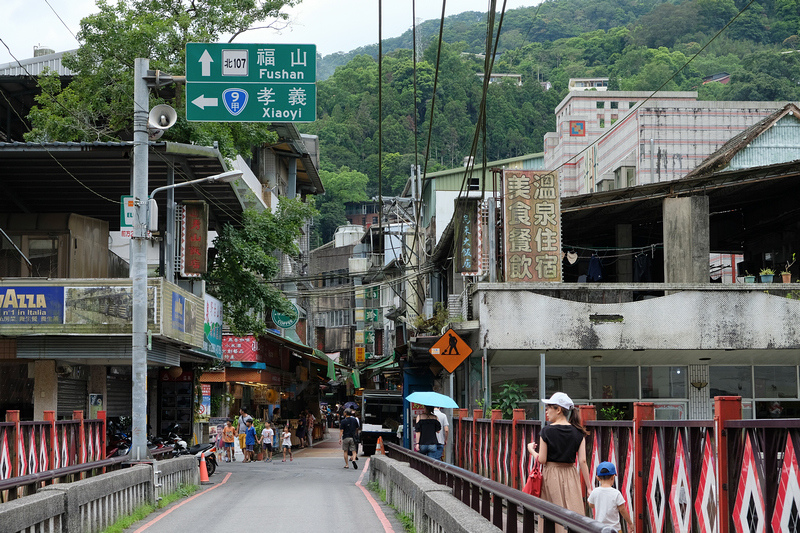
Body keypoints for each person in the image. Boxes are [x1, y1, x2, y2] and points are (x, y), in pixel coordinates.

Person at [527, 392, 591, 533]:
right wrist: (589, 487)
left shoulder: (547, 431)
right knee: (573, 510)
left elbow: (542, 460)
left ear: (558, 409)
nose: (547, 411)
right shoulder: (578, 432)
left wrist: (531, 450)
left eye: (549, 407)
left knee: (552, 513)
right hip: (571, 474)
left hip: (551, 474)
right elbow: (583, 461)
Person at [588, 462, 634, 532]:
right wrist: (630, 523)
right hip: (614, 530)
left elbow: (591, 505)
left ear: (598, 478)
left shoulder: (595, 492)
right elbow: (622, 510)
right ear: (613, 477)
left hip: (600, 529)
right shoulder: (616, 493)